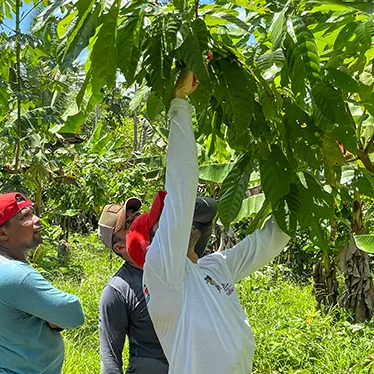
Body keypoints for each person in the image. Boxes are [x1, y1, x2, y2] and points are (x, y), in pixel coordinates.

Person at [136, 72, 291, 373]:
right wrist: (179, 103)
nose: (184, 223)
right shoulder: (162, 274)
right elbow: (181, 192)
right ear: (157, 239)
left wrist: (315, 176)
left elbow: (273, 238)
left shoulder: (214, 267)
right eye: (165, 222)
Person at [97, 195, 217, 374]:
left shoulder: (182, 256)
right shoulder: (119, 290)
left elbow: (210, 208)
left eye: (137, 214)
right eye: (129, 224)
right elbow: (110, 359)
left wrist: (173, 208)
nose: (138, 220)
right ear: (120, 248)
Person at [0, 192, 85, 374]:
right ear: (2, 233)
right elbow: (73, 312)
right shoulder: (15, 274)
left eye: (32, 212)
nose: (37, 220)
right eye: (25, 217)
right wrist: (54, 317)